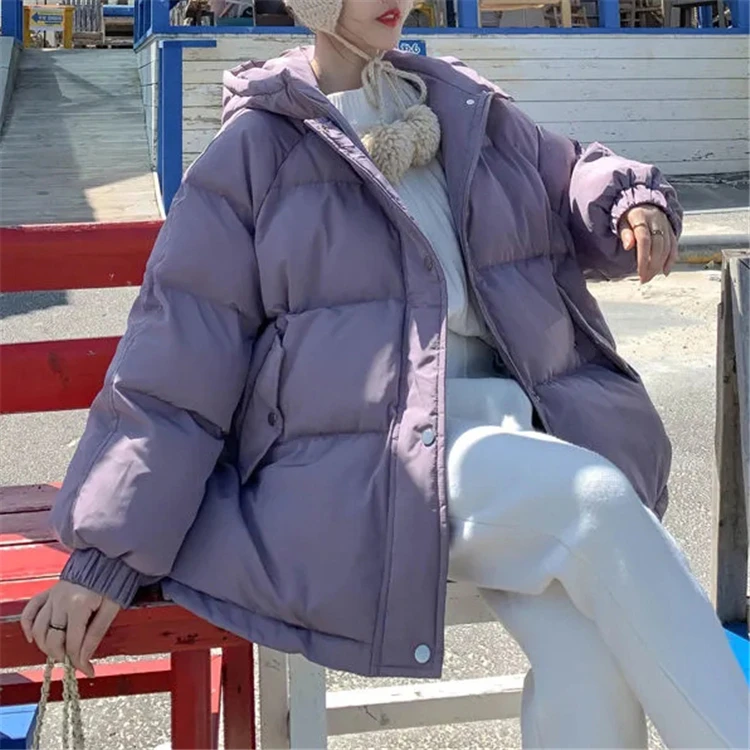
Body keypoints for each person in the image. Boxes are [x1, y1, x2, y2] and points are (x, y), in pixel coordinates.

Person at [22, 0, 747, 746]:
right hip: (372, 460)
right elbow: (179, 355)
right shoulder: (257, 149)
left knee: (587, 656)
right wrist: (107, 553)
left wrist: (631, 199)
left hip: (517, 434)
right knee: (594, 499)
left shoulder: (462, 106)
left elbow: (570, 173)